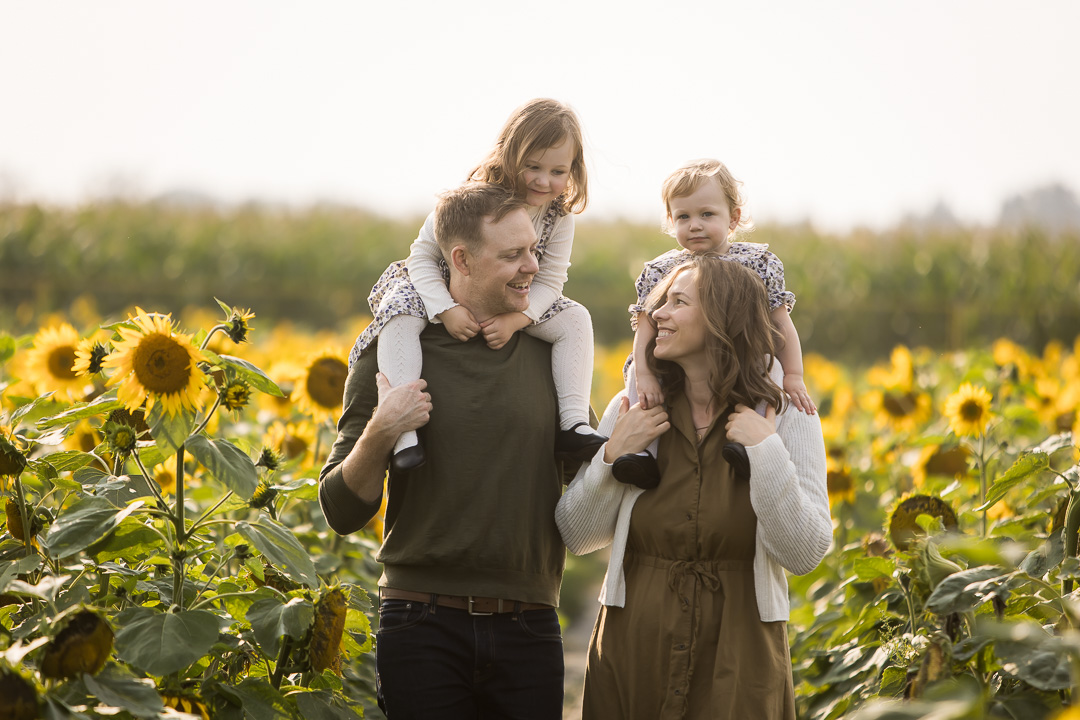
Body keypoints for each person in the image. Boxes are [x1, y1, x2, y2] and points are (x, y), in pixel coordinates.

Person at [320, 182, 571, 719]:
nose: (533, 267)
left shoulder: (549, 349)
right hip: (421, 622)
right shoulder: (395, 350)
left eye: (533, 250)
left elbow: (581, 475)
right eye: (512, 255)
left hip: (529, 623)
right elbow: (341, 509)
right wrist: (382, 430)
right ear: (460, 259)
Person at [555, 255, 831, 719]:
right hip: (633, 647)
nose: (656, 314)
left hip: (739, 657)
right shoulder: (635, 407)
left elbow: (804, 552)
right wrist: (611, 454)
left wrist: (766, 453)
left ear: (724, 320)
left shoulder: (784, 412)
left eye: (676, 302)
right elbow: (578, 535)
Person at [351, 98, 604, 471]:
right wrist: (445, 309)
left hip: (518, 299)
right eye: (533, 166)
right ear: (508, 155)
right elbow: (421, 257)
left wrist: (518, 320)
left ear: (573, 170)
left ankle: (573, 423)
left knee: (575, 318)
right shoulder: (470, 197)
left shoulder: (559, 216)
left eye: (557, 171)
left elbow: (550, 280)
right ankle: (406, 436)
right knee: (398, 316)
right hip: (434, 285)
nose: (543, 180)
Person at [614, 158, 816, 489]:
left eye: (706, 214)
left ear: (733, 217)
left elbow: (781, 323)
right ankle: (642, 455)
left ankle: (752, 446)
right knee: (637, 372)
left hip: (744, 360)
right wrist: (647, 374)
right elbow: (646, 327)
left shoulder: (756, 263)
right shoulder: (661, 270)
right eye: (683, 216)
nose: (694, 225)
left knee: (771, 370)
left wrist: (794, 374)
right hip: (676, 366)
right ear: (670, 220)